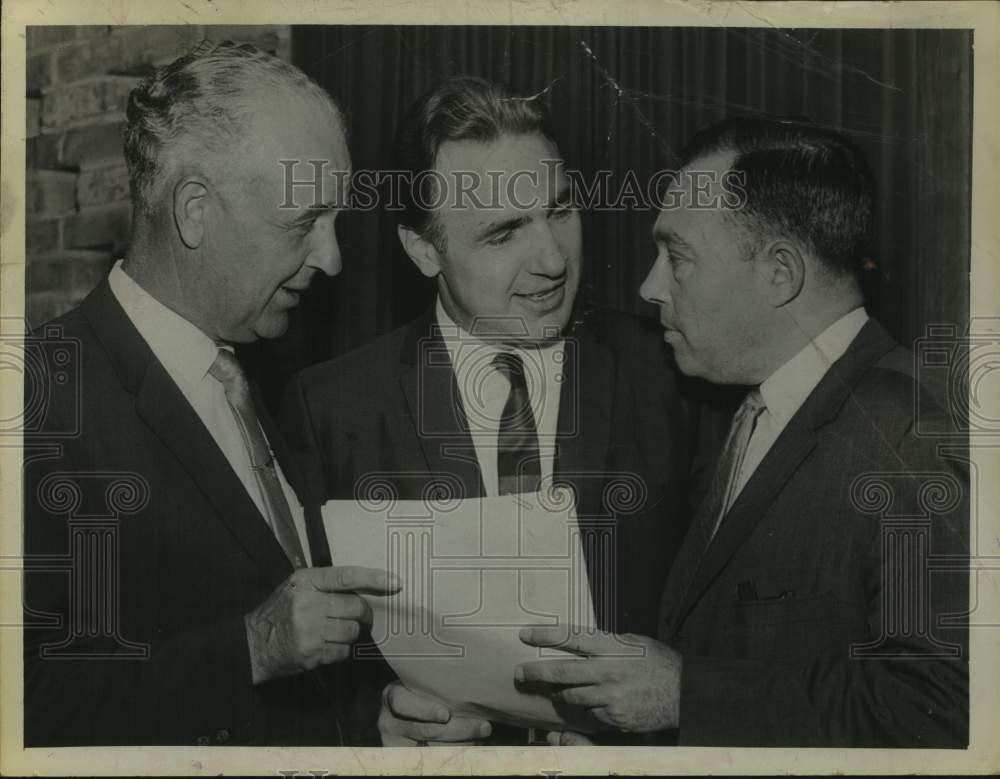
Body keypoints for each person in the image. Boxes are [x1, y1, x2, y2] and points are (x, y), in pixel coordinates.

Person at [279, 76, 724, 746]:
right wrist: (376, 719)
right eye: (504, 231)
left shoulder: (672, 370)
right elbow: (307, 667)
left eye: (561, 210)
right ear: (423, 249)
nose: (551, 259)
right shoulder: (332, 406)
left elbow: (732, 622)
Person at [517, 116, 969, 747]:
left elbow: (946, 714)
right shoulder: (758, 408)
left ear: (780, 274)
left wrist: (684, 695)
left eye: (677, 258)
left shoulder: (911, 433)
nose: (650, 287)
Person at [22, 41, 398, 747]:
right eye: (305, 223)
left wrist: (369, 729)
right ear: (194, 210)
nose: (332, 257)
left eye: (337, 220)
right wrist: (250, 648)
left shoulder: (253, 383)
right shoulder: (41, 395)